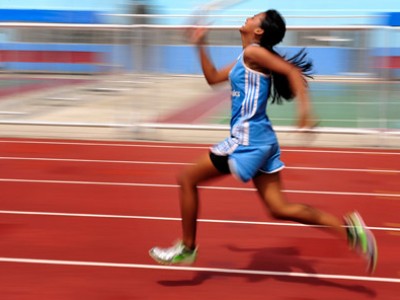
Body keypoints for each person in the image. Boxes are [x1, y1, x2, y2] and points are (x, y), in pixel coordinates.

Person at [149, 9, 377, 273]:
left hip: (247, 141)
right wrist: (200, 42)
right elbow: (212, 78)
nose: (248, 17)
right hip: (262, 139)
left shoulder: (253, 53)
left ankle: (187, 248)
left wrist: (306, 111)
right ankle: (350, 231)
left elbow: (291, 72)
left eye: (254, 17)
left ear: (259, 31)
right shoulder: (245, 57)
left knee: (186, 179)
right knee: (279, 208)